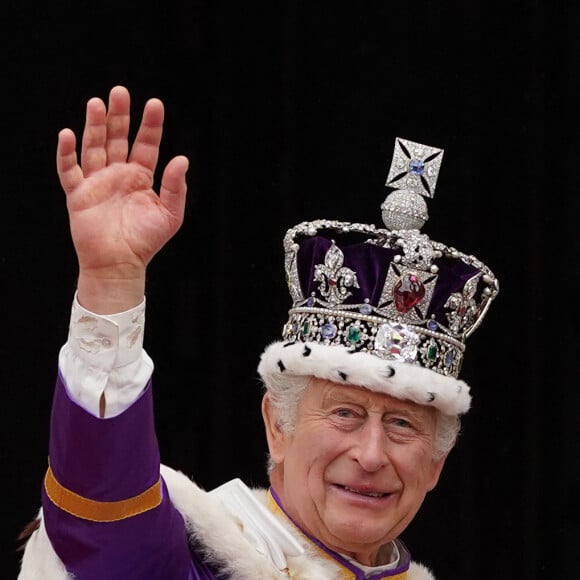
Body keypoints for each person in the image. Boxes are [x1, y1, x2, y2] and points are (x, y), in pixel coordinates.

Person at [18, 86, 499, 579]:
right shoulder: (190, 558)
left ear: (437, 464)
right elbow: (103, 511)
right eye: (345, 413)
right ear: (277, 426)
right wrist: (110, 285)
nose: (371, 455)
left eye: (402, 424)